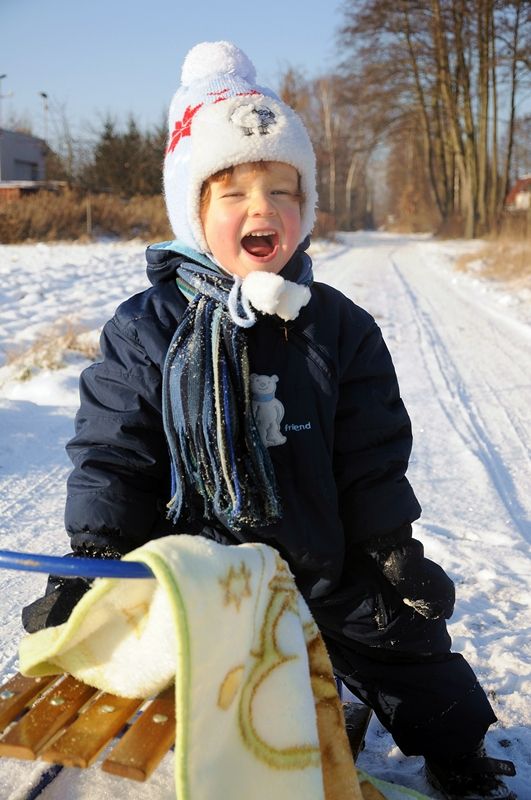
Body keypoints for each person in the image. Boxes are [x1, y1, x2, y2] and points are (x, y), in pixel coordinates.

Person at [22, 42, 516, 800]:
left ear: (307, 209)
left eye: (283, 191)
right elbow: (114, 453)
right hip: (200, 566)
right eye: (234, 192)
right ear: (193, 211)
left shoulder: (339, 326)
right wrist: (93, 555)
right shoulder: (146, 329)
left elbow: (371, 453)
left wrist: (389, 547)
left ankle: (457, 749)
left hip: (321, 554)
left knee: (405, 640)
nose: (262, 209)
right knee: (142, 647)